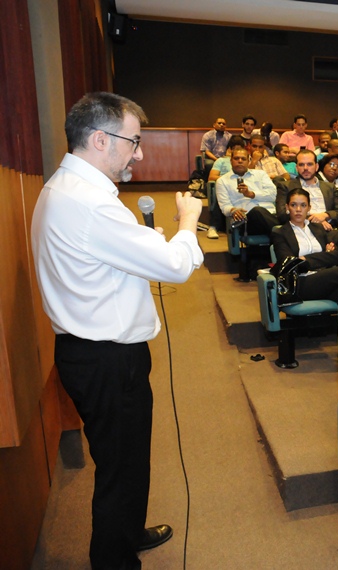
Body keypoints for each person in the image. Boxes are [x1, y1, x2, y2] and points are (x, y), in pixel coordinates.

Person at [31, 92, 204, 569]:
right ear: (101, 139)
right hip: (105, 358)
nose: (140, 154)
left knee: (127, 463)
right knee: (119, 471)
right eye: (134, 141)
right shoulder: (90, 204)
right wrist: (188, 222)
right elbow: (175, 265)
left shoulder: (64, 189)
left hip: (94, 352)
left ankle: (127, 533)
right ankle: (114, 559)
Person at [270, 188, 338, 303]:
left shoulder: (318, 228)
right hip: (300, 282)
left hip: (324, 281)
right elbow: (290, 264)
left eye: (303, 205)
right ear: (287, 207)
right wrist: (325, 255)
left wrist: (305, 259)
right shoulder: (280, 233)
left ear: (309, 208)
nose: (298, 210)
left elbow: (336, 255)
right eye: (294, 205)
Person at [214, 147, 279, 236]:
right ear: (231, 161)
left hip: (271, 214)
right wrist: (233, 210)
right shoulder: (222, 181)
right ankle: (285, 235)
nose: (240, 161)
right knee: (257, 211)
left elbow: (273, 196)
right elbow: (225, 206)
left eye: (243, 159)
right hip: (247, 221)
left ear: (249, 161)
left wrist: (251, 194)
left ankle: (281, 237)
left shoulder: (261, 174)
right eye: (236, 158)